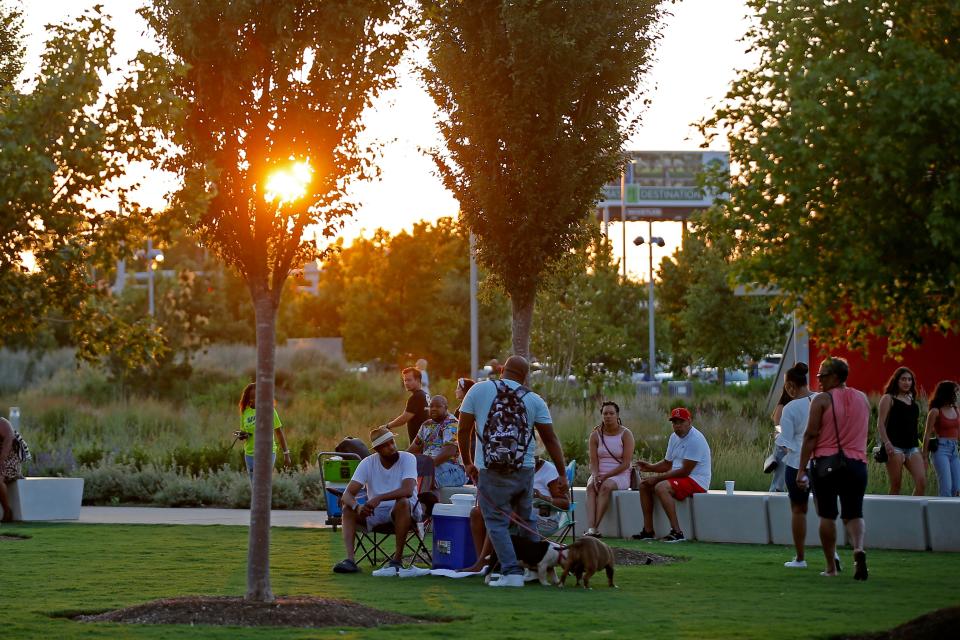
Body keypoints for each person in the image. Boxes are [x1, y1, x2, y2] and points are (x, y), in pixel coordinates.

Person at [457, 355, 568, 588]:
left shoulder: (478, 390)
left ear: (502, 371)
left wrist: (468, 462)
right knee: (527, 519)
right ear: (525, 377)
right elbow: (550, 439)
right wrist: (562, 474)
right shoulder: (534, 399)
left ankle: (511, 571)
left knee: (496, 522)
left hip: (490, 469)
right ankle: (536, 570)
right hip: (525, 470)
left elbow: (463, 430)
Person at [796, 356, 870, 580]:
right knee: (854, 513)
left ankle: (831, 567)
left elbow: (811, 435)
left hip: (827, 464)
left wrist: (801, 469)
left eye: (822, 376)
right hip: (857, 464)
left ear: (835, 377)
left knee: (827, 516)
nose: (818, 380)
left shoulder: (822, 400)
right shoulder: (863, 398)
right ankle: (858, 548)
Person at [333, 426, 421, 575]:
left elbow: (407, 490)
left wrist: (379, 498)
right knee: (348, 508)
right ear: (377, 450)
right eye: (386, 445)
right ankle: (350, 561)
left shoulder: (408, 458)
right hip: (377, 513)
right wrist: (358, 508)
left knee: (402, 503)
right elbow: (347, 494)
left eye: (392, 442)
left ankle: (397, 560)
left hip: (406, 511)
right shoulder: (368, 463)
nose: (392, 447)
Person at [463, 453, 569, 573]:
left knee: (498, 516)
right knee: (477, 513)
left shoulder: (549, 471)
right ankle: (484, 562)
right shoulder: (512, 468)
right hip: (513, 514)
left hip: (543, 520)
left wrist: (543, 497)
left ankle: (485, 561)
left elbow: (565, 503)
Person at [632, 407, 711, 542]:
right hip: (680, 478)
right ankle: (648, 531)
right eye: (674, 423)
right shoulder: (674, 437)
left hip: (696, 480)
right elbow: (667, 464)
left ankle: (677, 532)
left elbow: (685, 471)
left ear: (689, 422)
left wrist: (656, 478)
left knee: (661, 487)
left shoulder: (696, 439)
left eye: (680, 422)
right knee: (644, 485)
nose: (677, 426)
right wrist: (649, 467)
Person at [777, 363, 817, 568]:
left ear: (791, 386)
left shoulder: (790, 408)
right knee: (825, 511)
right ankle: (833, 554)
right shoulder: (821, 400)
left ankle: (800, 558)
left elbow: (785, 441)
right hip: (821, 461)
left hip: (796, 464)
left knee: (798, 511)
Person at [584, 401, 635, 537]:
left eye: (611, 413)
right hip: (599, 473)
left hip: (620, 473)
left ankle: (595, 528)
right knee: (590, 487)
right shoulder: (595, 435)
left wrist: (605, 477)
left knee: (605, 487)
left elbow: (625, 464)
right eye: (605, 413)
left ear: (617, 415)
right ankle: (590, 528)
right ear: (601, 415)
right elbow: (593, 462)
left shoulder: (626, 434)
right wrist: (595, 476)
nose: (608, 416)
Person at [876, 367, 925, 496]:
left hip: (912, 447)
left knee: (921, 482)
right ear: (896, 380)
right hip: (894, 446)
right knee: (896, 484)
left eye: (909, 379)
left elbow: (912, 427)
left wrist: (919, 447)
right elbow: (880, 424)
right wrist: (886, 443)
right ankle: (890, 515)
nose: (906, 382)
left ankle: (912, 513)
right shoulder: (888, 398)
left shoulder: (913, 401)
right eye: (903, 379)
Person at [407, 395, 466, 488]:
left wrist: (427, 466)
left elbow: (449, 452)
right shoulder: (426, 425)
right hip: (430, 466)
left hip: (453, 468)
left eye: (438, 406)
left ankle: (425, 502)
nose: (433, 409)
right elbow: (413, 449)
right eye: (431, 406)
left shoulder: (451, 423)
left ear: (446, 408)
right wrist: (400, 460)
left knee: (425, 479)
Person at [237, 383, 292, 480]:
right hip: (250, 454)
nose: (254, 400)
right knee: (254, 486)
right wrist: (242, 435)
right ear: (248, 398)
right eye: (252, 397)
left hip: (268, 453)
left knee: (263, 483)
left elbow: (279, 432)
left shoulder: (269, 410)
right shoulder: (245, 412)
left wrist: (286, 454)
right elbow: (244, 431)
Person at [922, 380, 960, 497]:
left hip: (954, 449)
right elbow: (927, 434)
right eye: (956, 392)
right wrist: (924, 457)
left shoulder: (956, 409)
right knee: (946, 488)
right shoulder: (935, 411)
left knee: (957, 488)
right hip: (941, 450)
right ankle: (943, 514)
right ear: (948, 393)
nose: (958, 395)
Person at [387, 366, 429, 445]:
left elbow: (405, 418)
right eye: (405, 380)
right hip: (426, 440)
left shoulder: (416, 397)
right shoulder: (425, 394)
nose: (406, 383)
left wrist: (387, 426)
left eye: (409, 380)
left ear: (418, 380)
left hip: (419, 443)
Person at [1, 417, 30, 523]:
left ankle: (7, 511)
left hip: (11, 456)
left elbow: (10, 438)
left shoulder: (2, 422)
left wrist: (1, 460)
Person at [767, 387, 792, 492]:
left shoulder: (793, 406)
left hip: (791, 447)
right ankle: (773, 500)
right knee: (779, 481)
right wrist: (785, 446)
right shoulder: (781, 407)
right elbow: (778, 428)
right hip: (782, 448)